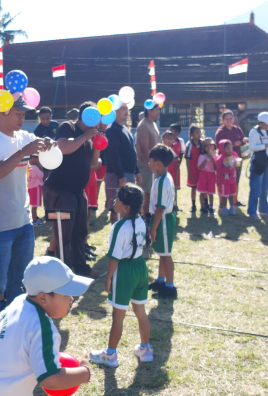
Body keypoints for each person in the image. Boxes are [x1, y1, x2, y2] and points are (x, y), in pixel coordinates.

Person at [0, 257, 93, 395]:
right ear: (43, 298)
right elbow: (51, 380)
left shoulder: (19, 302)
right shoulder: (43, 329)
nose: (72, 299)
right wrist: (85, 372)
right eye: (66, 295)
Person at [0, 96, 51, 343]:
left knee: (20, 283)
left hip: (24, 222)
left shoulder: (25, 136)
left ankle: (14, 332)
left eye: (24, 114)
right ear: (4, 111)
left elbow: (53, 148)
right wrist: (23, 152)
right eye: (19, 113)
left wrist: (51, 145)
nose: (23, 118)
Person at [89, 185, 153, 367]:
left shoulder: (119, 227)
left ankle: (110, 355)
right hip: (140, 267)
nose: (114, 201)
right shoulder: (141, 221)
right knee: (141, 312)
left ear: (126, 207)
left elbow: (114, 257)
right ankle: (145, 349)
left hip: (124, 271)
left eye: (117, 199)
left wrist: (108, 277)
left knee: (118, 316)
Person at [44, 101, 102, 279]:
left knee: (80, 232)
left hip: (78, 191)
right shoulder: (68, 127)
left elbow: (93, 164)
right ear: (88, 116)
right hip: (61, 190)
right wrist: (85, 137)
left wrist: (97, 146)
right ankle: (65, 274)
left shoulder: (88, 137)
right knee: (64, 235)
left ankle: (81, 268)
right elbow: (63, 147)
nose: (99, 122)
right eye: (97, 117)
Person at [148, 145, 178, 299]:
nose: (148, 163)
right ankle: (160, 281)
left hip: (163, 220)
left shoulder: (162, 181)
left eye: (150, 161)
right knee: (162, 252)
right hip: (162, 219)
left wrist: (153, 228)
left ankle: (170, 287)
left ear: (158, 163)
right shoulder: (163, 178)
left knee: (166, 254)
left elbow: (160, 208)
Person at [103, 102, 140, 224]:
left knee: (127, 208)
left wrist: (137, 171)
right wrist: (120, 176)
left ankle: (125, 233)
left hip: (128, 173)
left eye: (126, 108)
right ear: (114, 112)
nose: (126, 111)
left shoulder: (125, 129)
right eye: (122, 108)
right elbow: (113, 155)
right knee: (116, 210)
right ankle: (116, 233)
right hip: (117, 176)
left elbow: (132, 152)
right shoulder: (111, 130)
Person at [247, 112, 268, 219]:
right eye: (267, 123)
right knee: (255, 188)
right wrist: (266, 145)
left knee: (265, 188)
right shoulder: (254, 132)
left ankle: (264, 209)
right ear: (260, 123)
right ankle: (252, 212)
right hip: (257, 164)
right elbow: (252, 147)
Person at [215, 110, 247, 206]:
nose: (229, 120)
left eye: (230, 118)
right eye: (226, 119)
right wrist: (233, 144)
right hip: (224, 160)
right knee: (222, 181)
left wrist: (244, 141)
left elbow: (242, 139)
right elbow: (219, 146)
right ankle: (222, 202)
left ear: (233, 119)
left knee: (235, 180)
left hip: (236, 159)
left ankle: (235, 201)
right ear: (222, 120)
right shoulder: (220, 132)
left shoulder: (237, 129)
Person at [136, 105, 161, 217]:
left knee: (151, 192)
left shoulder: (153, 124)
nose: (159, 112)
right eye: (157, 110)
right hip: (145, 166)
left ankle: (148, 214)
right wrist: (152, 164)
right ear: (149, 111)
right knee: (146, 193)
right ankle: (144, 216)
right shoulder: (143, 126)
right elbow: (144, 149)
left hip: (153, 165)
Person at [215, 140, 239, 216]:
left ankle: (232, 207)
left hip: (232, 179)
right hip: (224, 181)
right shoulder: (220, 159)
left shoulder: (234, 155)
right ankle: (224, 208)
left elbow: (237, 162)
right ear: (222, 149)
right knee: (225, 195)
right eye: (228, 149)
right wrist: (226, 168)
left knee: (232, 194)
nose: (230, 150)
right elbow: (218, 170)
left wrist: (238, 163)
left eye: (231, 148)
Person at [185, 125, 204, 213]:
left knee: (203, 187)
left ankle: (204, 205)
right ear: (191, 134)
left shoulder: (203, 143)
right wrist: (189, 173)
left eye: (199, 132)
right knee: (194, 187)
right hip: (193, 169)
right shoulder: (189, 145)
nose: (199, 134)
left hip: (202, 169)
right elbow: (187, 160)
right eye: (196, 133)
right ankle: (193, 205)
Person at [197, 138, 218, 214]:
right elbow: (200, 167)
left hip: (211, 174)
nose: (209, 148)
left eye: (211, 145)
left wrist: (212, 159)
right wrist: (206, 159)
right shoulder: (202, 156)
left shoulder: (215, 156)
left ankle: (211, 207)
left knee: (211, 192)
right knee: (202, 192)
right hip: (203, 174)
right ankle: (202, 207)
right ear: (204, 148)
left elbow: (215, 168)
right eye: (207, 146)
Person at [169, 124, 185, 211]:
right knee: (168, 185)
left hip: (175, 166)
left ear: (176, 132)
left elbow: (182, 153)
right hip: (167, 165)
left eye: (171, 129)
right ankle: (168, 204)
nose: (169, 131)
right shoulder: (167, 140)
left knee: (175, 186)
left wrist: (179, 163)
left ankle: (175, 204)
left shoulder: (181, 141)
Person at [28, 159, 45, 226]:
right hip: (36, 187)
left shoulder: (28, 166)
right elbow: (41, 175)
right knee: (35, 205)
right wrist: (40, 168)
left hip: (30, 187)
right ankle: (34, 219)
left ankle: (35, 217)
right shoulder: (35, 167)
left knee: (33, 204)